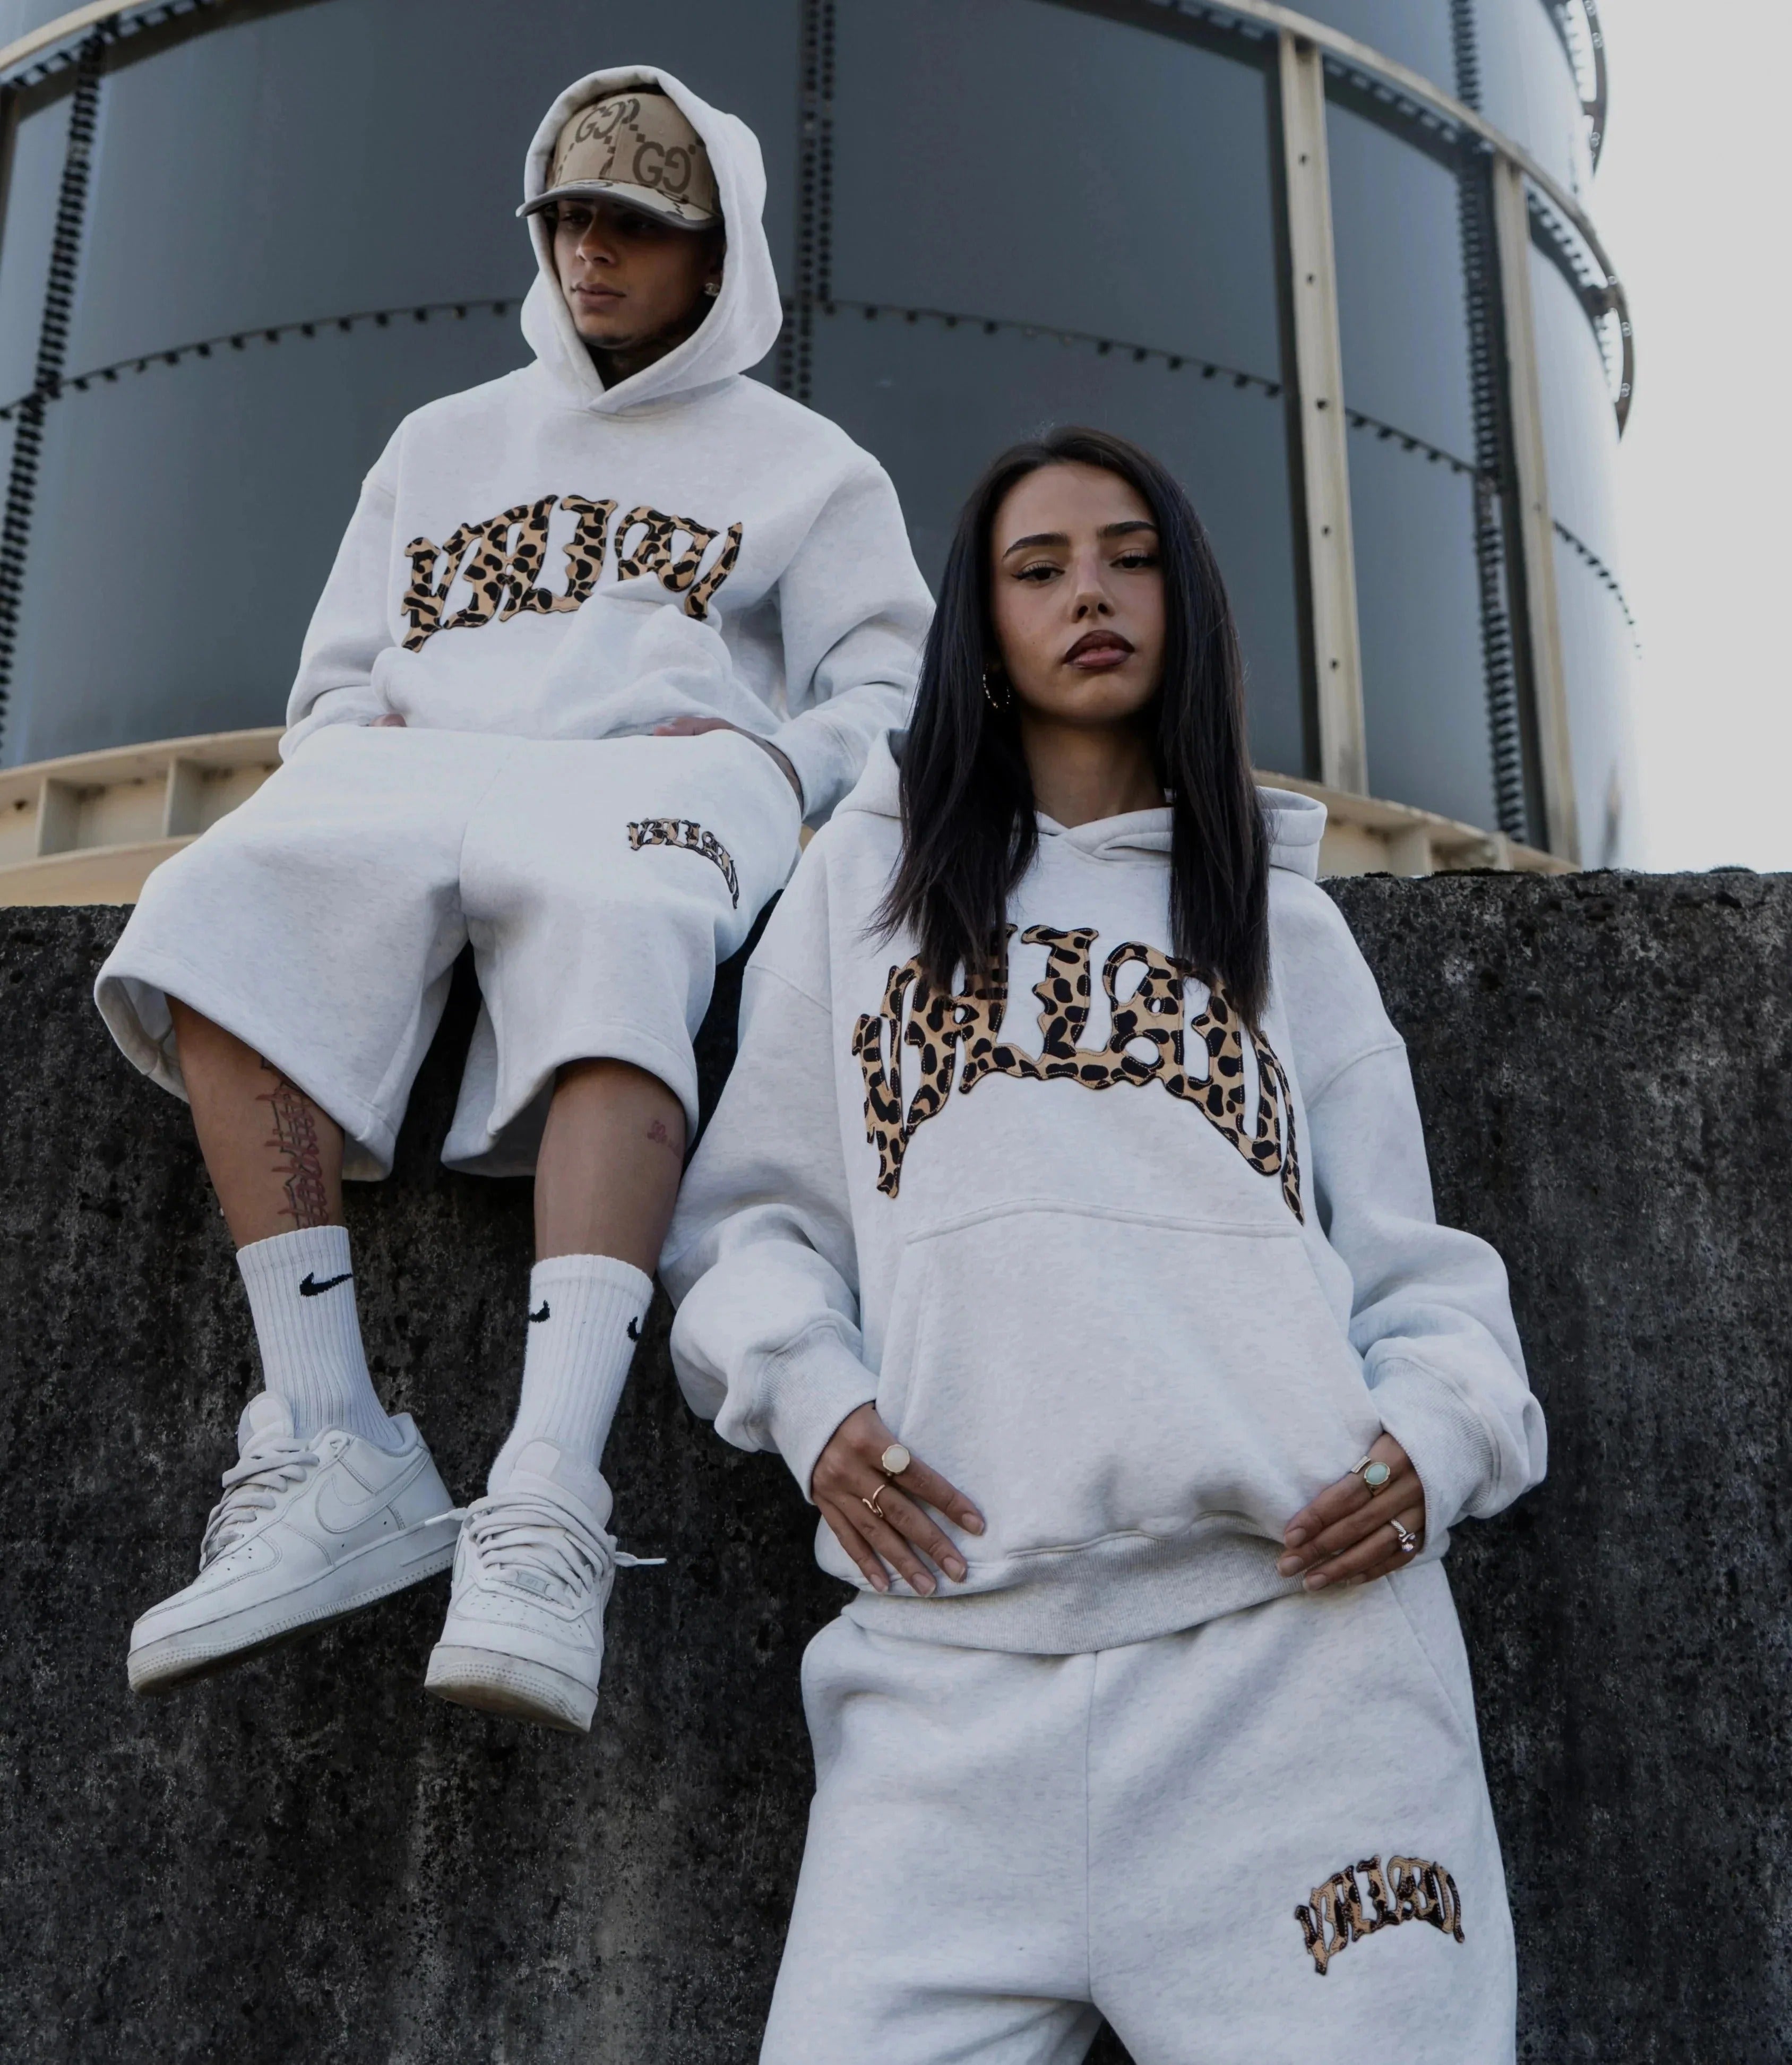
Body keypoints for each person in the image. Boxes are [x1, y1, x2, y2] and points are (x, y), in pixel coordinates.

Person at [662, 426, 1547, 2058]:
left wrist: (1434, 1438)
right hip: (944, 1686)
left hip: (1296, 1675)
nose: (1092, 594)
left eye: (1131, 556)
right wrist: (811, 1402)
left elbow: (1431, 1284)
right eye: (1040, 565)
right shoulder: (865, 889)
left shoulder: (1286, 926)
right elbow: (747, 1227)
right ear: (977, 625)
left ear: (1188, 599)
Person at [95, 66, 931, 1733]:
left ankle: (550, 1486)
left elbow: (893, 694)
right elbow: (331, 687)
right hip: (429, 757)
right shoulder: (439, 443)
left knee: (630, 921)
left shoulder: (810, 467)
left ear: (719, 251)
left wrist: (773, 756)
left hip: (659, 774)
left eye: (637, 223)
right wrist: (373, 752)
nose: (592, 250)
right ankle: (332, 1434)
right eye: (567, 216)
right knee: (220, 895)